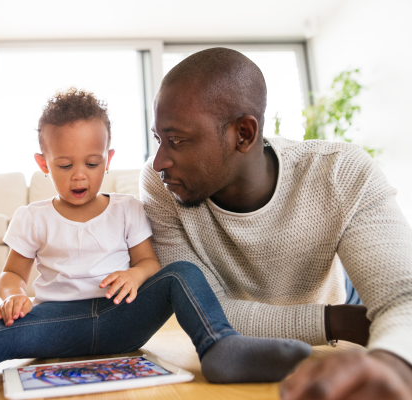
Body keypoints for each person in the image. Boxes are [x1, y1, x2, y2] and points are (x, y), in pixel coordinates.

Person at [0, 88, 312, 400]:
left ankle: (221, 349)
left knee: (182, 274)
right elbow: (12, 274)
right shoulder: (31, 217)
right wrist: (12, 295)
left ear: (108, 156)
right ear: (42, 162)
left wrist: (135, 276)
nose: (79, 176)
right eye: (64, 165)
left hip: (122, 319)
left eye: (92, 164)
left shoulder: (125, 209)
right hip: (56, 325)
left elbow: (148, 262)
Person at [141, 47, 412, 399]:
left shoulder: (343, 173)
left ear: (244, 134)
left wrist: (393, 363)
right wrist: (338, 321)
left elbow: (402, 299)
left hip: (327, 349)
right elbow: (205, 312)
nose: (160, 160)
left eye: (177, 141)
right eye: (158, 139)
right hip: (306, 332)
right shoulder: (162, 187)